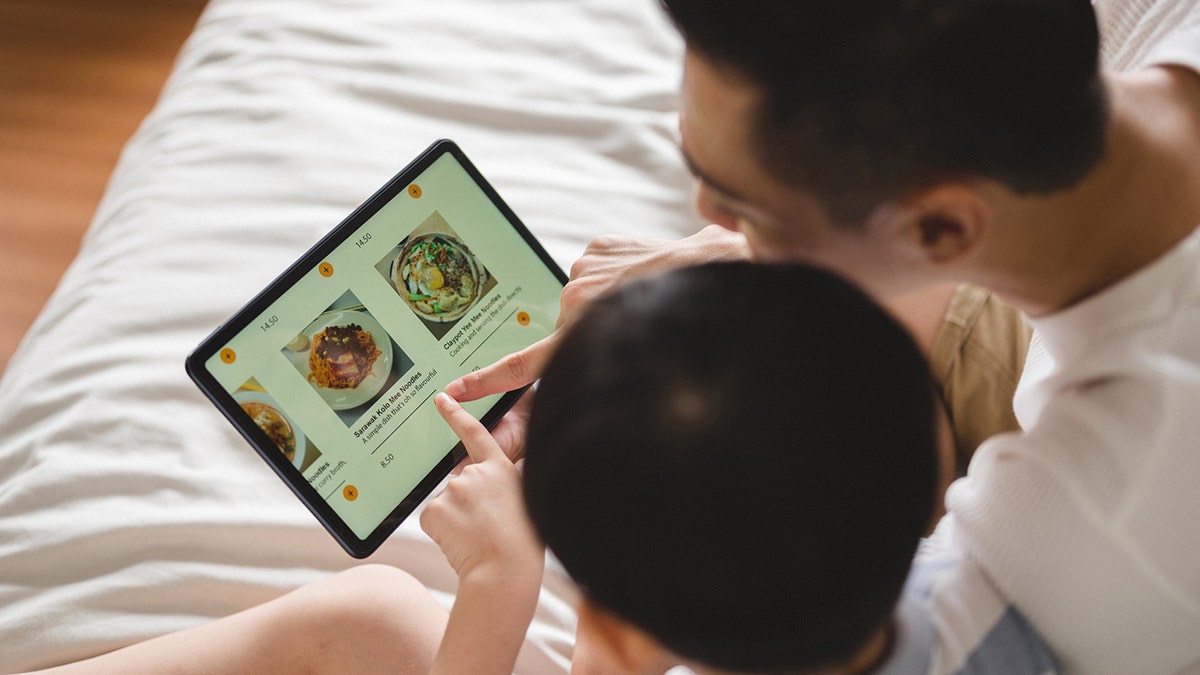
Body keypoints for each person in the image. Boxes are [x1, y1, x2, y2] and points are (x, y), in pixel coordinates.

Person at [448, 1, 1200, 672]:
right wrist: (745, 249)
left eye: (739, 202)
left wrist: (519, 591)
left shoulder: (1099, 536)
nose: (702, 215)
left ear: (939, 225)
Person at [25, 262, 1045, 674]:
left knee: (371, 611)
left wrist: (500, 584)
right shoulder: (986, 584)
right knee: (374, 615)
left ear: (614, 636)